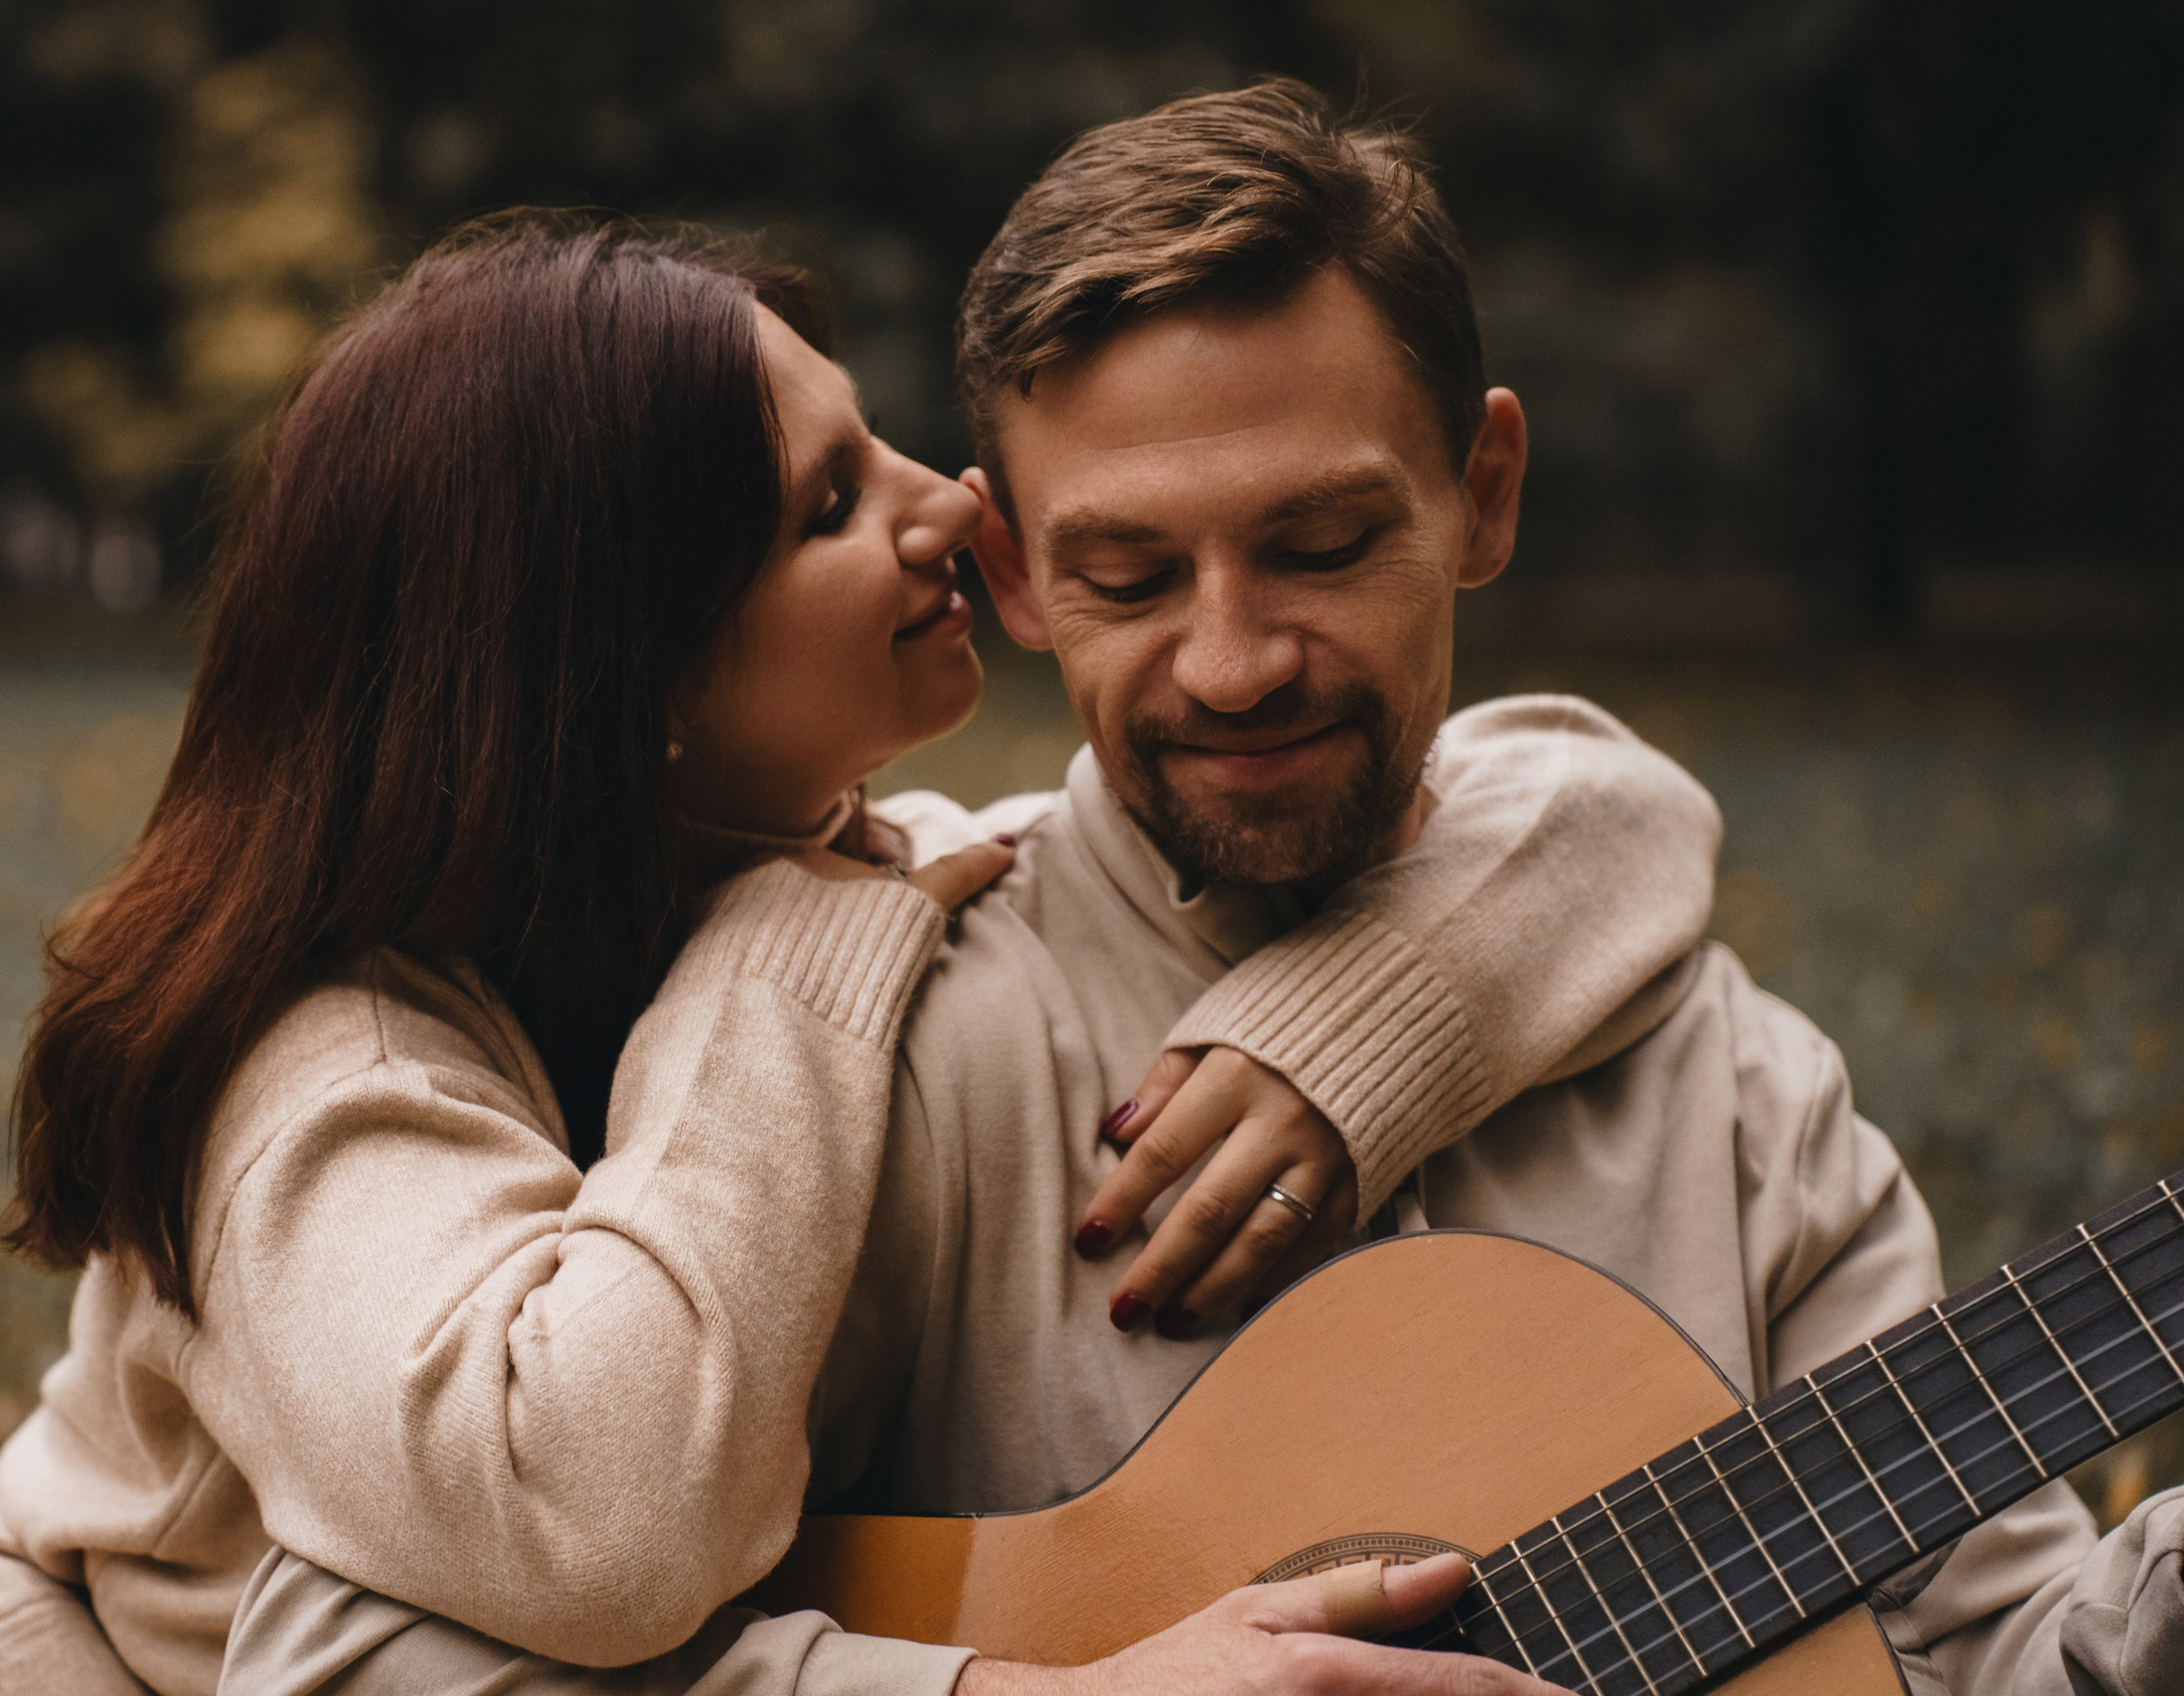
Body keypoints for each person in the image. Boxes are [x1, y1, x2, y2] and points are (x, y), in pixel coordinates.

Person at [221, 80, 2184, 1696]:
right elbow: (354, 1648)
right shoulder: (880, 1062)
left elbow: (1988, 1644)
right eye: (1129, 576)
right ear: (1003, 569)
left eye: (1320, 546)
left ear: (1484, 494)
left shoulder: (1735, 1094)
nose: (1232, 665)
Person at [0, 205, 1712, 1696]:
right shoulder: (319, 1075)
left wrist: (1350, 1024)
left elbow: (1598, 813)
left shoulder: (822, 876)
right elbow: (600, 1532)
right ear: (627, 674)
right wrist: (782, 947)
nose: (952, 507)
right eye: (830, 501)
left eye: (878, 440)